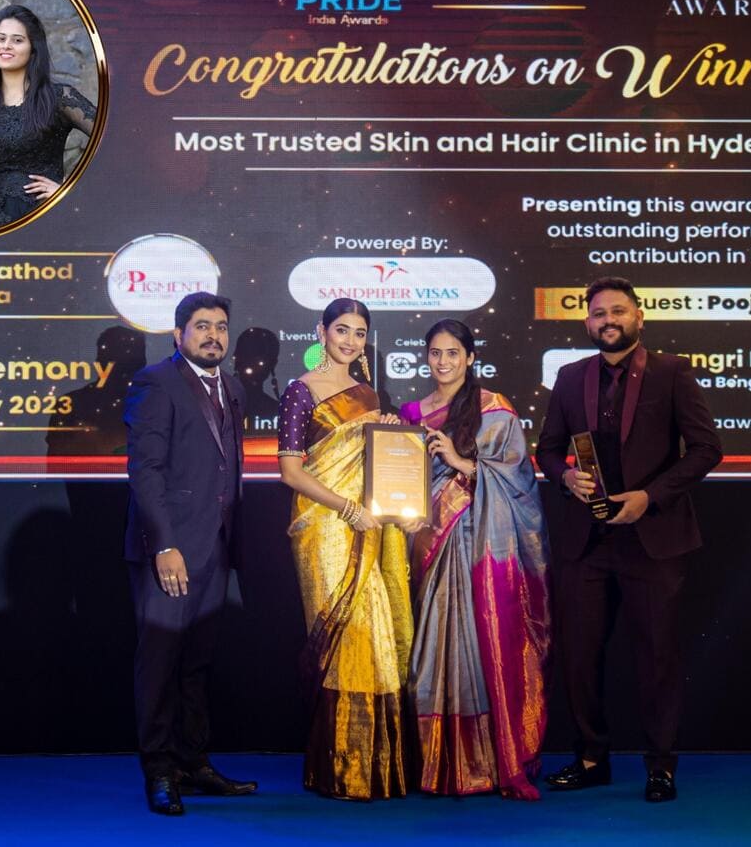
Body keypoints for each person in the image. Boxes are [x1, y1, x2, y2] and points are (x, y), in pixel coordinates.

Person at [535, 276, 721, 803]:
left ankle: (660, 766)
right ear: (587, 322)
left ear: (639, 317)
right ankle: (591, 759)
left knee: (657, 658)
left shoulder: (672, 371)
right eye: (599, 313)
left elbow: (706, 449)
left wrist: (650, 497)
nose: (608, 320)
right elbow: (547, 450)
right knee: (579, 658)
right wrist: (565, 477)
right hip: (586, 541)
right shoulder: (570, 377)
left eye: (618, 311)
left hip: (653, 540)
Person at [397, 319, 551, 800]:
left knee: (482, 643)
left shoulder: (493, 408)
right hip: (428, 541)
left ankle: (487, 760)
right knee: (431, 647)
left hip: (480, 543)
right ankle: (436, 761)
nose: (443, 362)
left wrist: (462, 463)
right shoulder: (411, 413)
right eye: (435, 353)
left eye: (452, 353)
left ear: (469, 358)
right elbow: (400, 478)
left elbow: (519, 479)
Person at [122, 292, 256, 815]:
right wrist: (165, 544)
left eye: (220, 327)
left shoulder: (233, 387)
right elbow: (146, 471)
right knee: (160, 662)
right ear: (179, 335)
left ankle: (194, 762)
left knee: (197, 663)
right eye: (202, 326)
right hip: (170, 550)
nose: (213, 336)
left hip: (217, 547)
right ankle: (159, 770)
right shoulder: (156, 382)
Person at [277, 298, 413, 800]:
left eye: (359, 333)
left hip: (369, 525)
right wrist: (347, 508)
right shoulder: (300, 391)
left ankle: (373, 767)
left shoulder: (369, 395)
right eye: (342, 330)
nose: (351, 341)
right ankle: (339, 768)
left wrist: (391, 440)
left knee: (374, 634)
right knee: (343, 638)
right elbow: (291, 472)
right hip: (325, 527)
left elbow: (377, 465)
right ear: (322, 332)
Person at [0, 4, 96, 232]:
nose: (6, 45)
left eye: (17, 40)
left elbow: (113, 142)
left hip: (42, 219)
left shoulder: (59, 98)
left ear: (33, 49)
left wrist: (69, 190)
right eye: (1, 39)